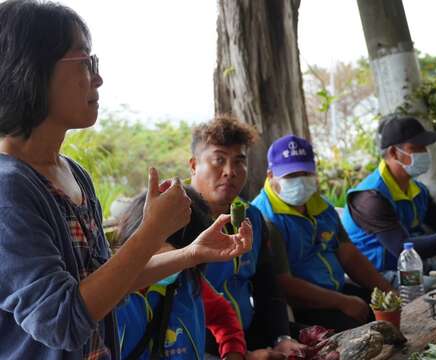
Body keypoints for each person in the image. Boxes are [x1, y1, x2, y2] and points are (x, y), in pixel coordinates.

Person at [0, 1, 251, 359]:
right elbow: (63, 321)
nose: (98, 78)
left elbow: (107, 282)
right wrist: (152, 231)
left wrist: (189, 253)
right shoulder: (9, 189)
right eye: (86, 63)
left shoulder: (74, 175)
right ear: (31, 69)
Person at [189, 116, 306, 357]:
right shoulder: (177, 218)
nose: (230, 172)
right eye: (218, 160)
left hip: (247, 332)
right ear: (193, 165)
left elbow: (267, 287)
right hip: (196, 345)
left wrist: (281, 338)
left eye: (239, 161)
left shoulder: (251, 216)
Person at [252, 135, 394, 332]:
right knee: (362, 332)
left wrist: (387, 290)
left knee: (388, 313)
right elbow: (283, 284)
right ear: (270, 176)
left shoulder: (321, 207)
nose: (300, 181)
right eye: (290, 176)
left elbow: (349, 256)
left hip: (337, 290)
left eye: (306, 173)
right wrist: (343, 303)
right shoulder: (265, 219)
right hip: (300, 307)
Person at [341, 115, 436, 286]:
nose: (424, 153)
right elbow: (401, 248)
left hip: (411, 267)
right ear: (393, 152)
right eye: (416, 148)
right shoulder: (369, 197)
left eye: (425, 148)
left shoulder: (417, 190)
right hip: (378, 276)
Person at [114, 188, 250, 360]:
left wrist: (233, 351)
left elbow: (222, 315)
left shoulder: (189, 281)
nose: (171, 264)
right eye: (164, 255)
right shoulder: (108, 297)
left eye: (183, 257)